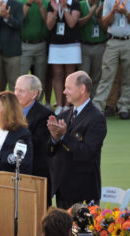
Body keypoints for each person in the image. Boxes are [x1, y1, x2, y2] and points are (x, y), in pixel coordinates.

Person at [47, 71, 107, 209]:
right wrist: (54, 138)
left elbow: (87, 153)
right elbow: (50, 152)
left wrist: (64, 136)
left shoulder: (96, 118)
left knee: (81, 231)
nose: (64, 91)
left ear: (82, 89)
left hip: (83, 190)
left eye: (68, 87)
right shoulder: (64, 114)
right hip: (62, 188)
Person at [15, 74, 53, 207]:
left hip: (35, 176)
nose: (16, 94)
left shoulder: (45, 115)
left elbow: (38, 144)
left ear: (34, 94)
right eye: (16, 89)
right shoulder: (10, 112)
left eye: (21, 91)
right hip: (13, 175)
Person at [46, 0, 81, 115]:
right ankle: (59, 105)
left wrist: (65, 7)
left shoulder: (75, 4)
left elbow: (72, 23)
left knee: (70, 76)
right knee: (57, 75)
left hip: (71, 45)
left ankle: (68, 105)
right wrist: (55, 11)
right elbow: (49, 25)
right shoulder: (52, 4)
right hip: (56, 45)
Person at [19, 0, 48, 94]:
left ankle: (38, 103)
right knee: (22, 77)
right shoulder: (22, 2)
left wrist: (41, 6)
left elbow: (48, 22)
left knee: (40, 78)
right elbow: (20, 19)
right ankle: (21, 103)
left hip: (41, 45)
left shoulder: (45, 2)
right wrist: (29, 3)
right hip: (25, 45)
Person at [78, 0, 106, 97]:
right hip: (85, 45)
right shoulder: (81, 5)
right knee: (84, 76)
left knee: (97, 75)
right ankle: (83, 100)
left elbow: (106, 27)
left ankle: (94, 100)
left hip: (100, 45)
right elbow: (77, 24)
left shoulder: (104, 5)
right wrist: (89, 15)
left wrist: (99, 17)